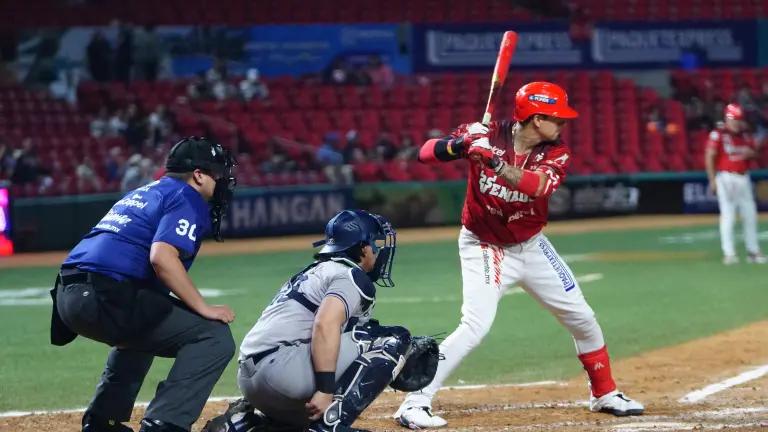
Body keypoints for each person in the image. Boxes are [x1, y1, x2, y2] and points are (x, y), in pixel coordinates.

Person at [394, 82, 645, 429]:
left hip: (532, 244)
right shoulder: (487, 132)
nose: (563, 125)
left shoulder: (556, 152)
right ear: (536, 118)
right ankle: (414, 402)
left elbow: (538, 186)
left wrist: (493, 162)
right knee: (475, 325)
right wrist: (462, 145)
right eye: (557, 118)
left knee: (583, 318)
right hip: (484, 244)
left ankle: (604, 393)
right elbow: (424, 153)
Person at [49, 137, 238, 432]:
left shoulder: (147, 191)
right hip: (105, 294)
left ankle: (102, 422)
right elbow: (162, 258)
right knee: (214, 337)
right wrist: (203, 307)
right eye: (218, 174)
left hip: (67, 296)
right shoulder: (188, 197)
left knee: (147, 322)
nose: (223, 182)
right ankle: (164, 424)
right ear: (199, 175)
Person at [203, 210, 408, 432]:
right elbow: (325, 324)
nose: (377, 251)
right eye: (374, 245)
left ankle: (243, 424)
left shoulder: (314, 272)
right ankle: (330, 424)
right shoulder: (348, 275)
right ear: (361, 248)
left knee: (302, 423)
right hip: (282, 372)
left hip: (253, 380)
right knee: (394, 339)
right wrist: (325, 389)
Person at [705, 103, 767, 265]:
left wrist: (750, 153)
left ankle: (753, 251)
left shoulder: (745, 135)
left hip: (743, 177)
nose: (736, 122)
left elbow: (755, 154)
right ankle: (729, 253)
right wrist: (712, 179)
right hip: (726, 177)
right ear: (727, 117)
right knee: (728, 216)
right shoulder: (718, 134)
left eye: (738, 119)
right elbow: (709, 156)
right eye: (733, 119)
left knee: (750, 215)